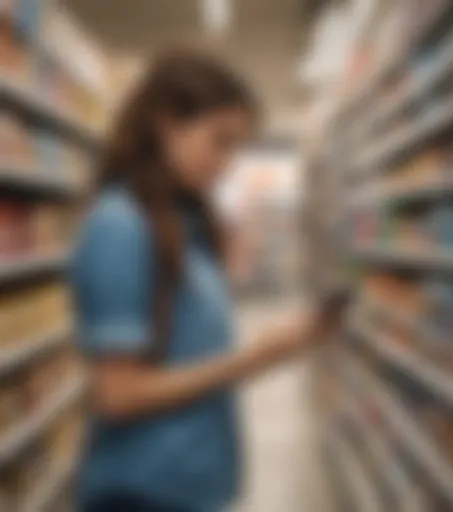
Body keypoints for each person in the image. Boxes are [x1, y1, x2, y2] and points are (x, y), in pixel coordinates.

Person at [71, 49, 345, 512]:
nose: (229, 163)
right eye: (220, 142)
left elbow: (184, 349)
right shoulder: (120, 225)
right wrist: (256, 357)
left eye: (238, 146)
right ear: (167, 123)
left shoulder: (181, 222)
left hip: (187, 490)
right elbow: (118, 393)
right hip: (141, 495)